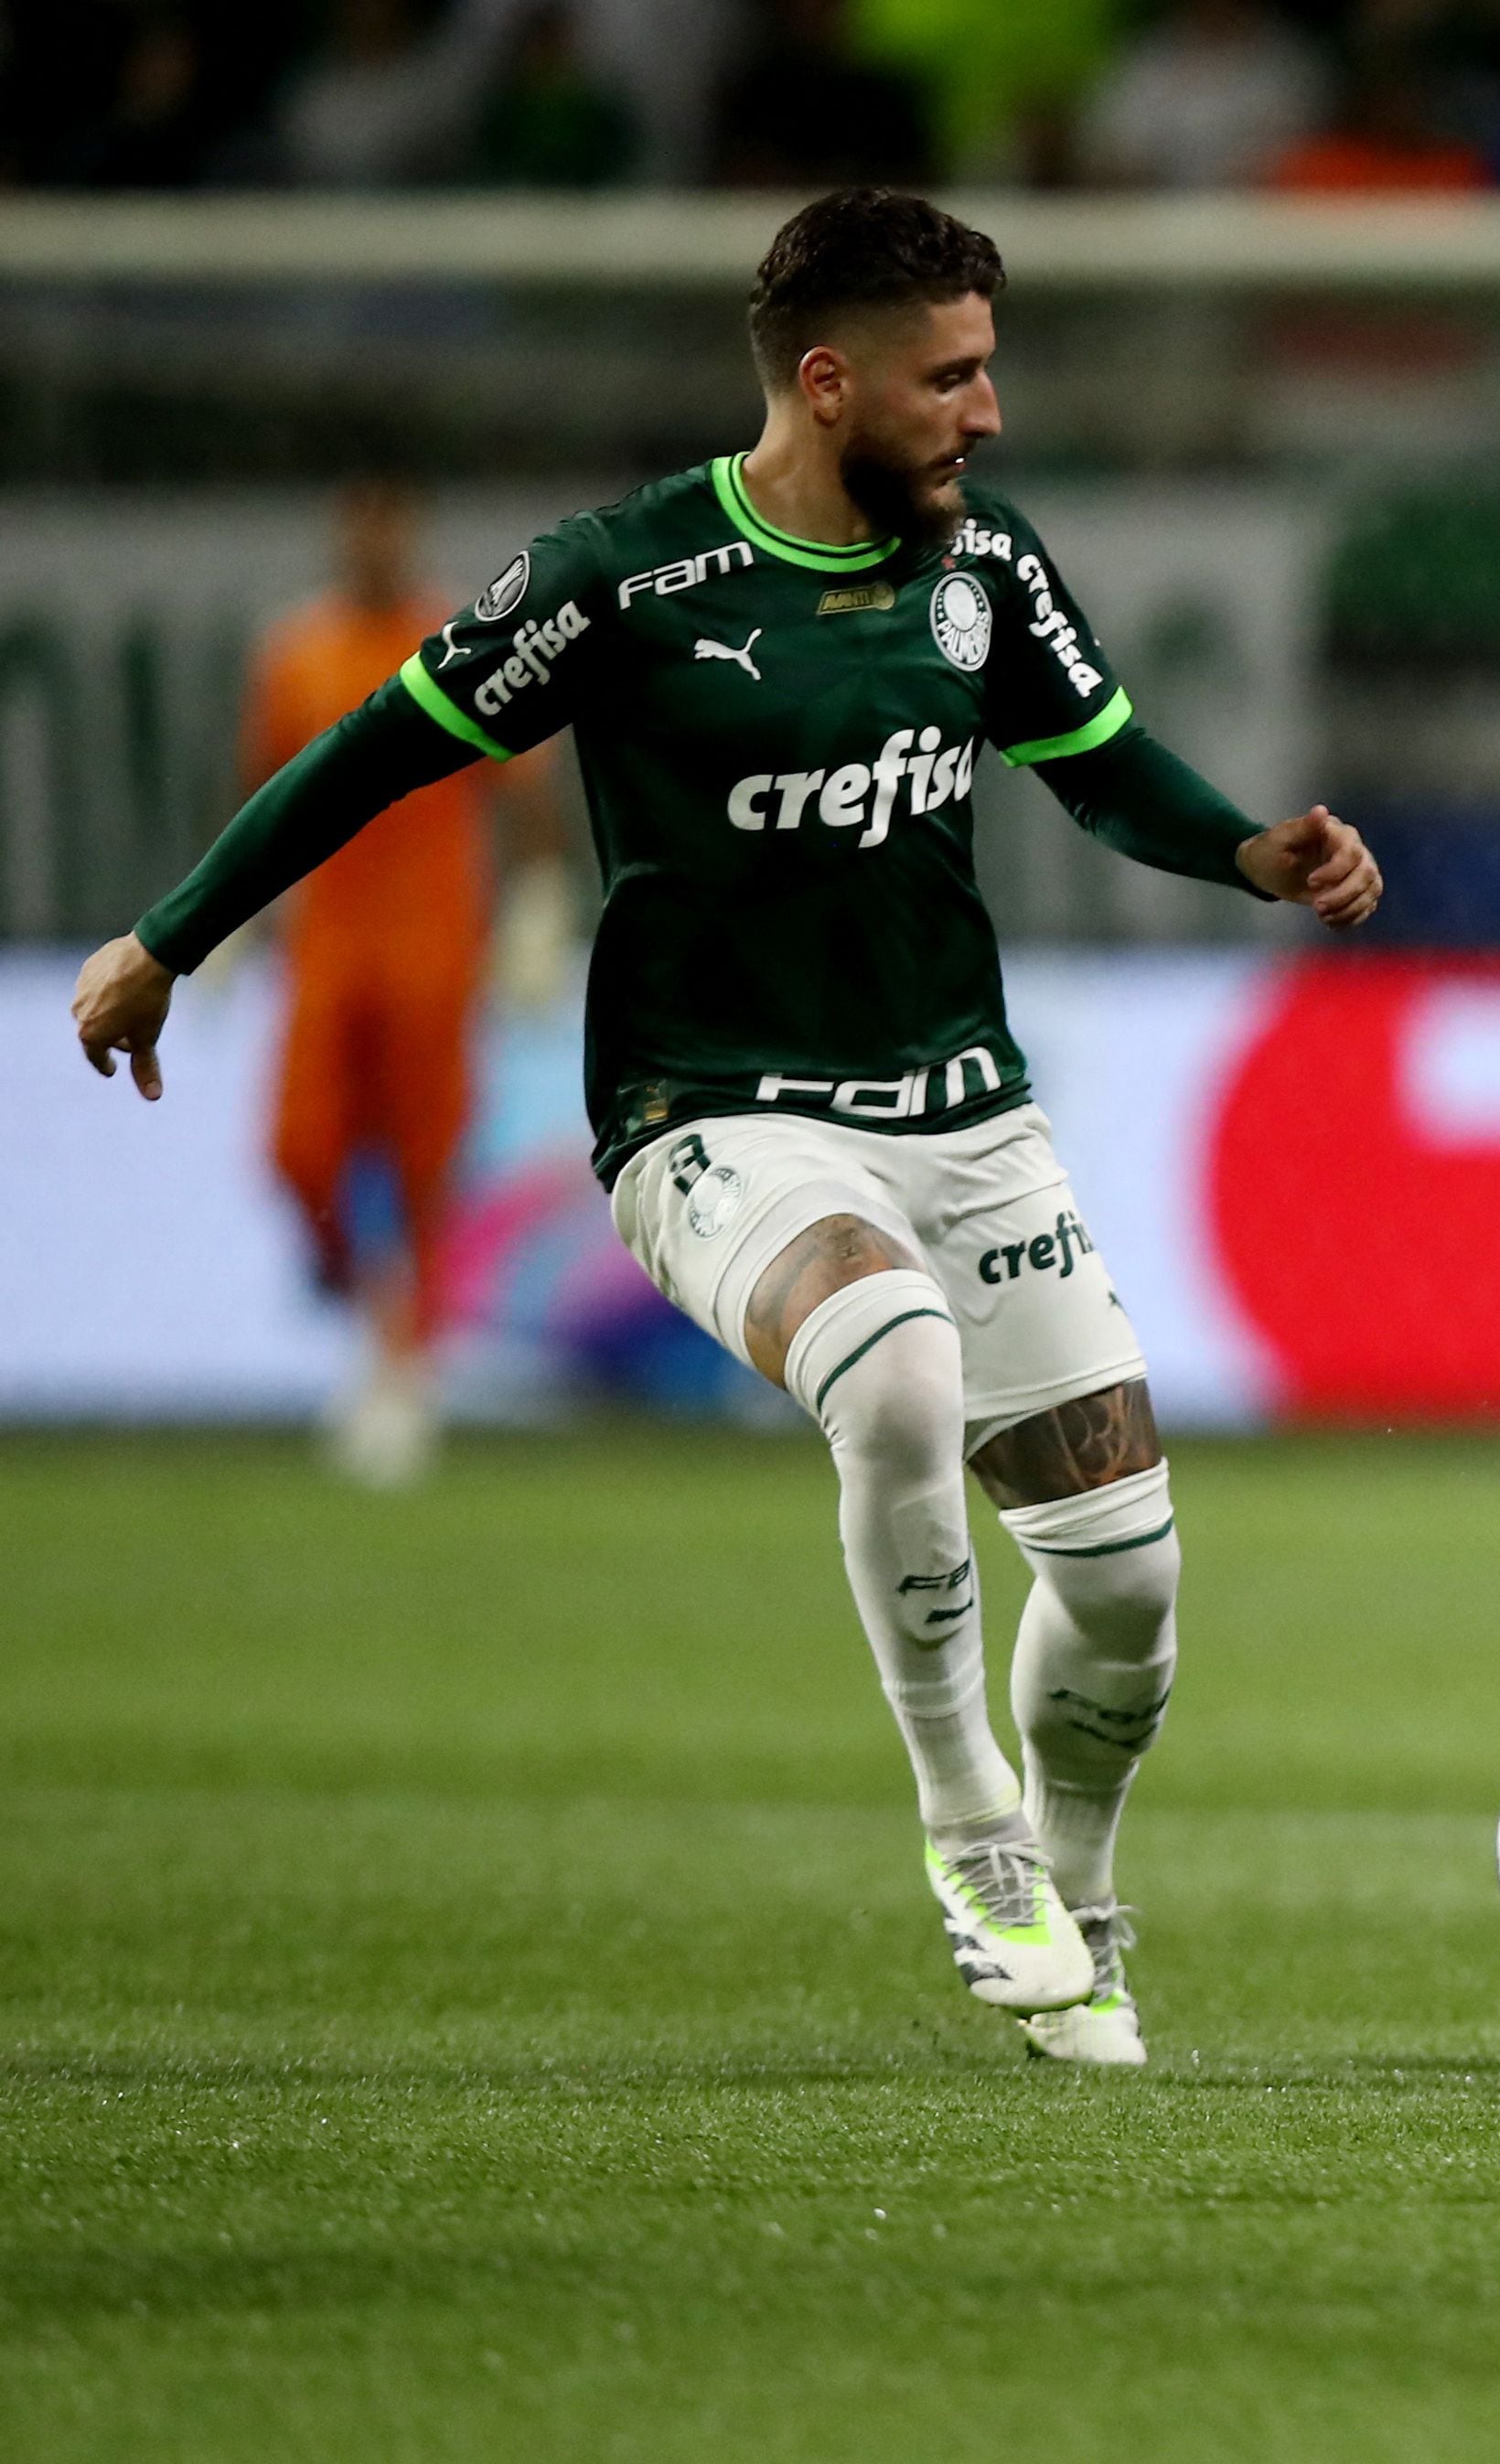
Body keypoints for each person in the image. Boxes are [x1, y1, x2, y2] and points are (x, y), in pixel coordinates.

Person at [73, 190, 1386, 2068]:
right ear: (829, 380)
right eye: (952, 376)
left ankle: (1081, 1897)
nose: (987, 411)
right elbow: (382, 743)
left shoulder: (982, 565)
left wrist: (1253, 848)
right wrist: (168, 940)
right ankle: (972, 1829)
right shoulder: (626, 576)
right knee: (901, 1373)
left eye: (991, 368)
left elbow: (1099, 766)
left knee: (1126, 1589)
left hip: (964, 1109)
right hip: (711, 1115)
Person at [238, 477, 562, 1485]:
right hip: (329, 945)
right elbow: (262, 788)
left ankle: (405, 1365)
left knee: (426, 1168)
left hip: (432, 945)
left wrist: (537, 906)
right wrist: (228, 913)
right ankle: (368, 1306)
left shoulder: (455, 648)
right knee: (299, 1150)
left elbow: (524, 785)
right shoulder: (295, 652)